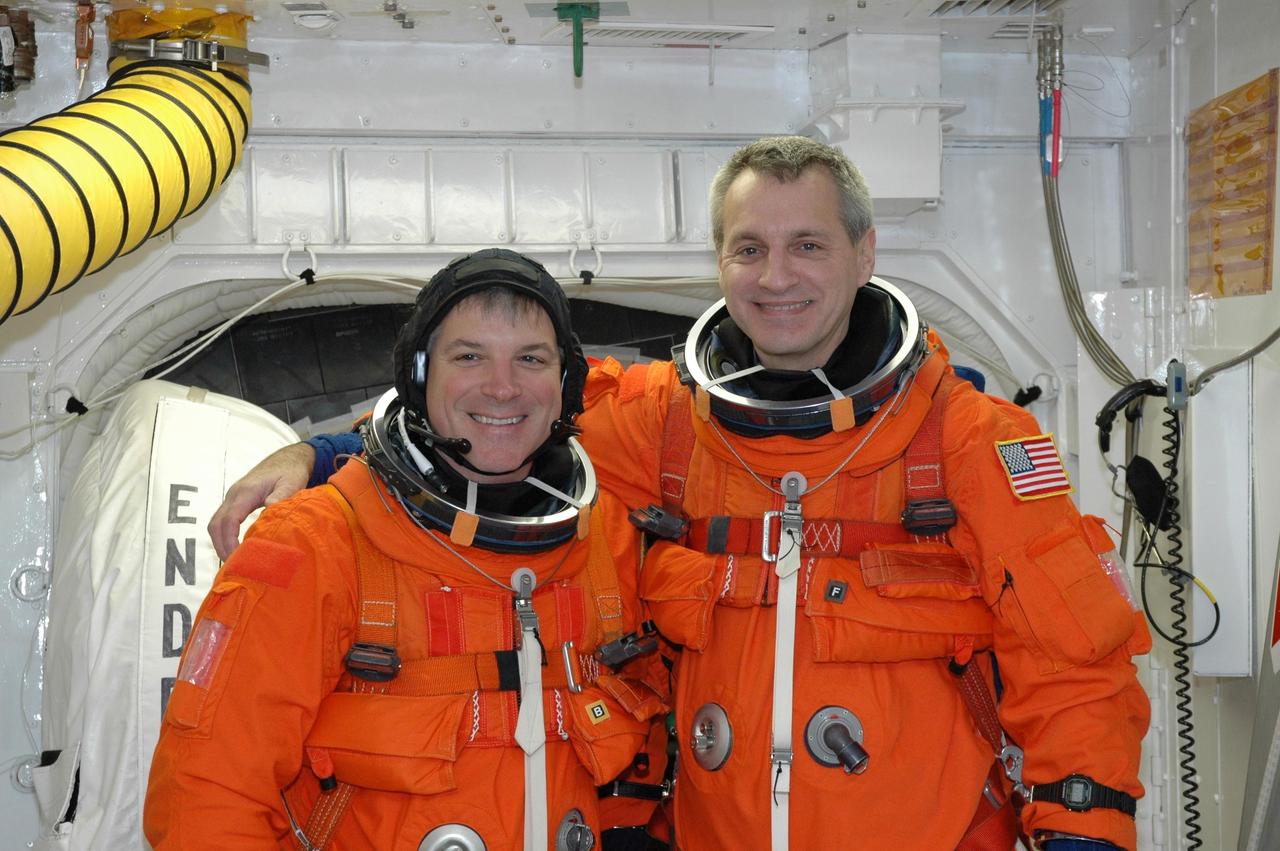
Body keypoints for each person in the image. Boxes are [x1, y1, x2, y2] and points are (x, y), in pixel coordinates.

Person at [210, 137, 1151, 851]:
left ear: (865, 255)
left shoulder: (966, 439)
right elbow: (502, 423)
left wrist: (1079, 835)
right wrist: (327, 452)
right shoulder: (664, 430)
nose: (775, 277)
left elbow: (1077, 667)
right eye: (749, 249)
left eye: (807, 245)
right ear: (720, 262)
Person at [146, 249, 669, 851]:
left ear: (565, 382)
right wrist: (315, 454)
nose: (502, 387)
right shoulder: (313, 546)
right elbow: (206, 802)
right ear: (419, 377)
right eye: (469, 356)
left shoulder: (608, 544)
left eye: (531, 358)